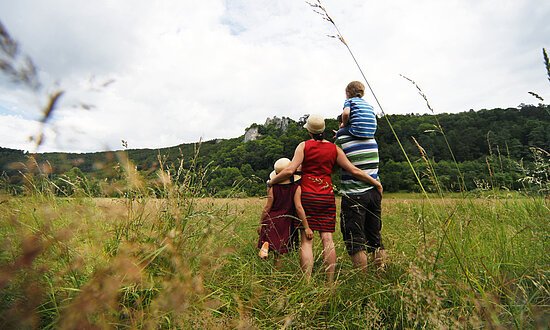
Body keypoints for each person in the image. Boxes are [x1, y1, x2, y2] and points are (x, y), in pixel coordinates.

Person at [268, 114, 382, 282]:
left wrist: (272, 182)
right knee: (327, 239)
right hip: (326, 195)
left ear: (309, 131)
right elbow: (354, 170)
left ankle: (306, 281)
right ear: (324, 130)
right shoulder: (334, 149)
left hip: (306, 195)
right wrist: (375, 182)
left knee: (306, 241)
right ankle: (330, 282)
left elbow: (289, 171)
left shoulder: (304, 146)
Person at [335, 81, 387, 271]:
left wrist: (339, 132)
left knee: (355, 239)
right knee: (375, 237)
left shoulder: (341, 138)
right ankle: (380, 272)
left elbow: (335, 163)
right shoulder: (372, 138)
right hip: (375, 191)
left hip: (355, 193)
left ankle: (362, 281)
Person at [258, 158, 313, 268]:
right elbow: (298, 207)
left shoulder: (273, 188)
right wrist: (306, 227)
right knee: (279, 252)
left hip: (271, 219)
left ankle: (266, 248)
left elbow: (267, 207)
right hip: (284, 222)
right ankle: (276, 273)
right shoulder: (296, 188)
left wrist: (261, 223)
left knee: (270, 241)